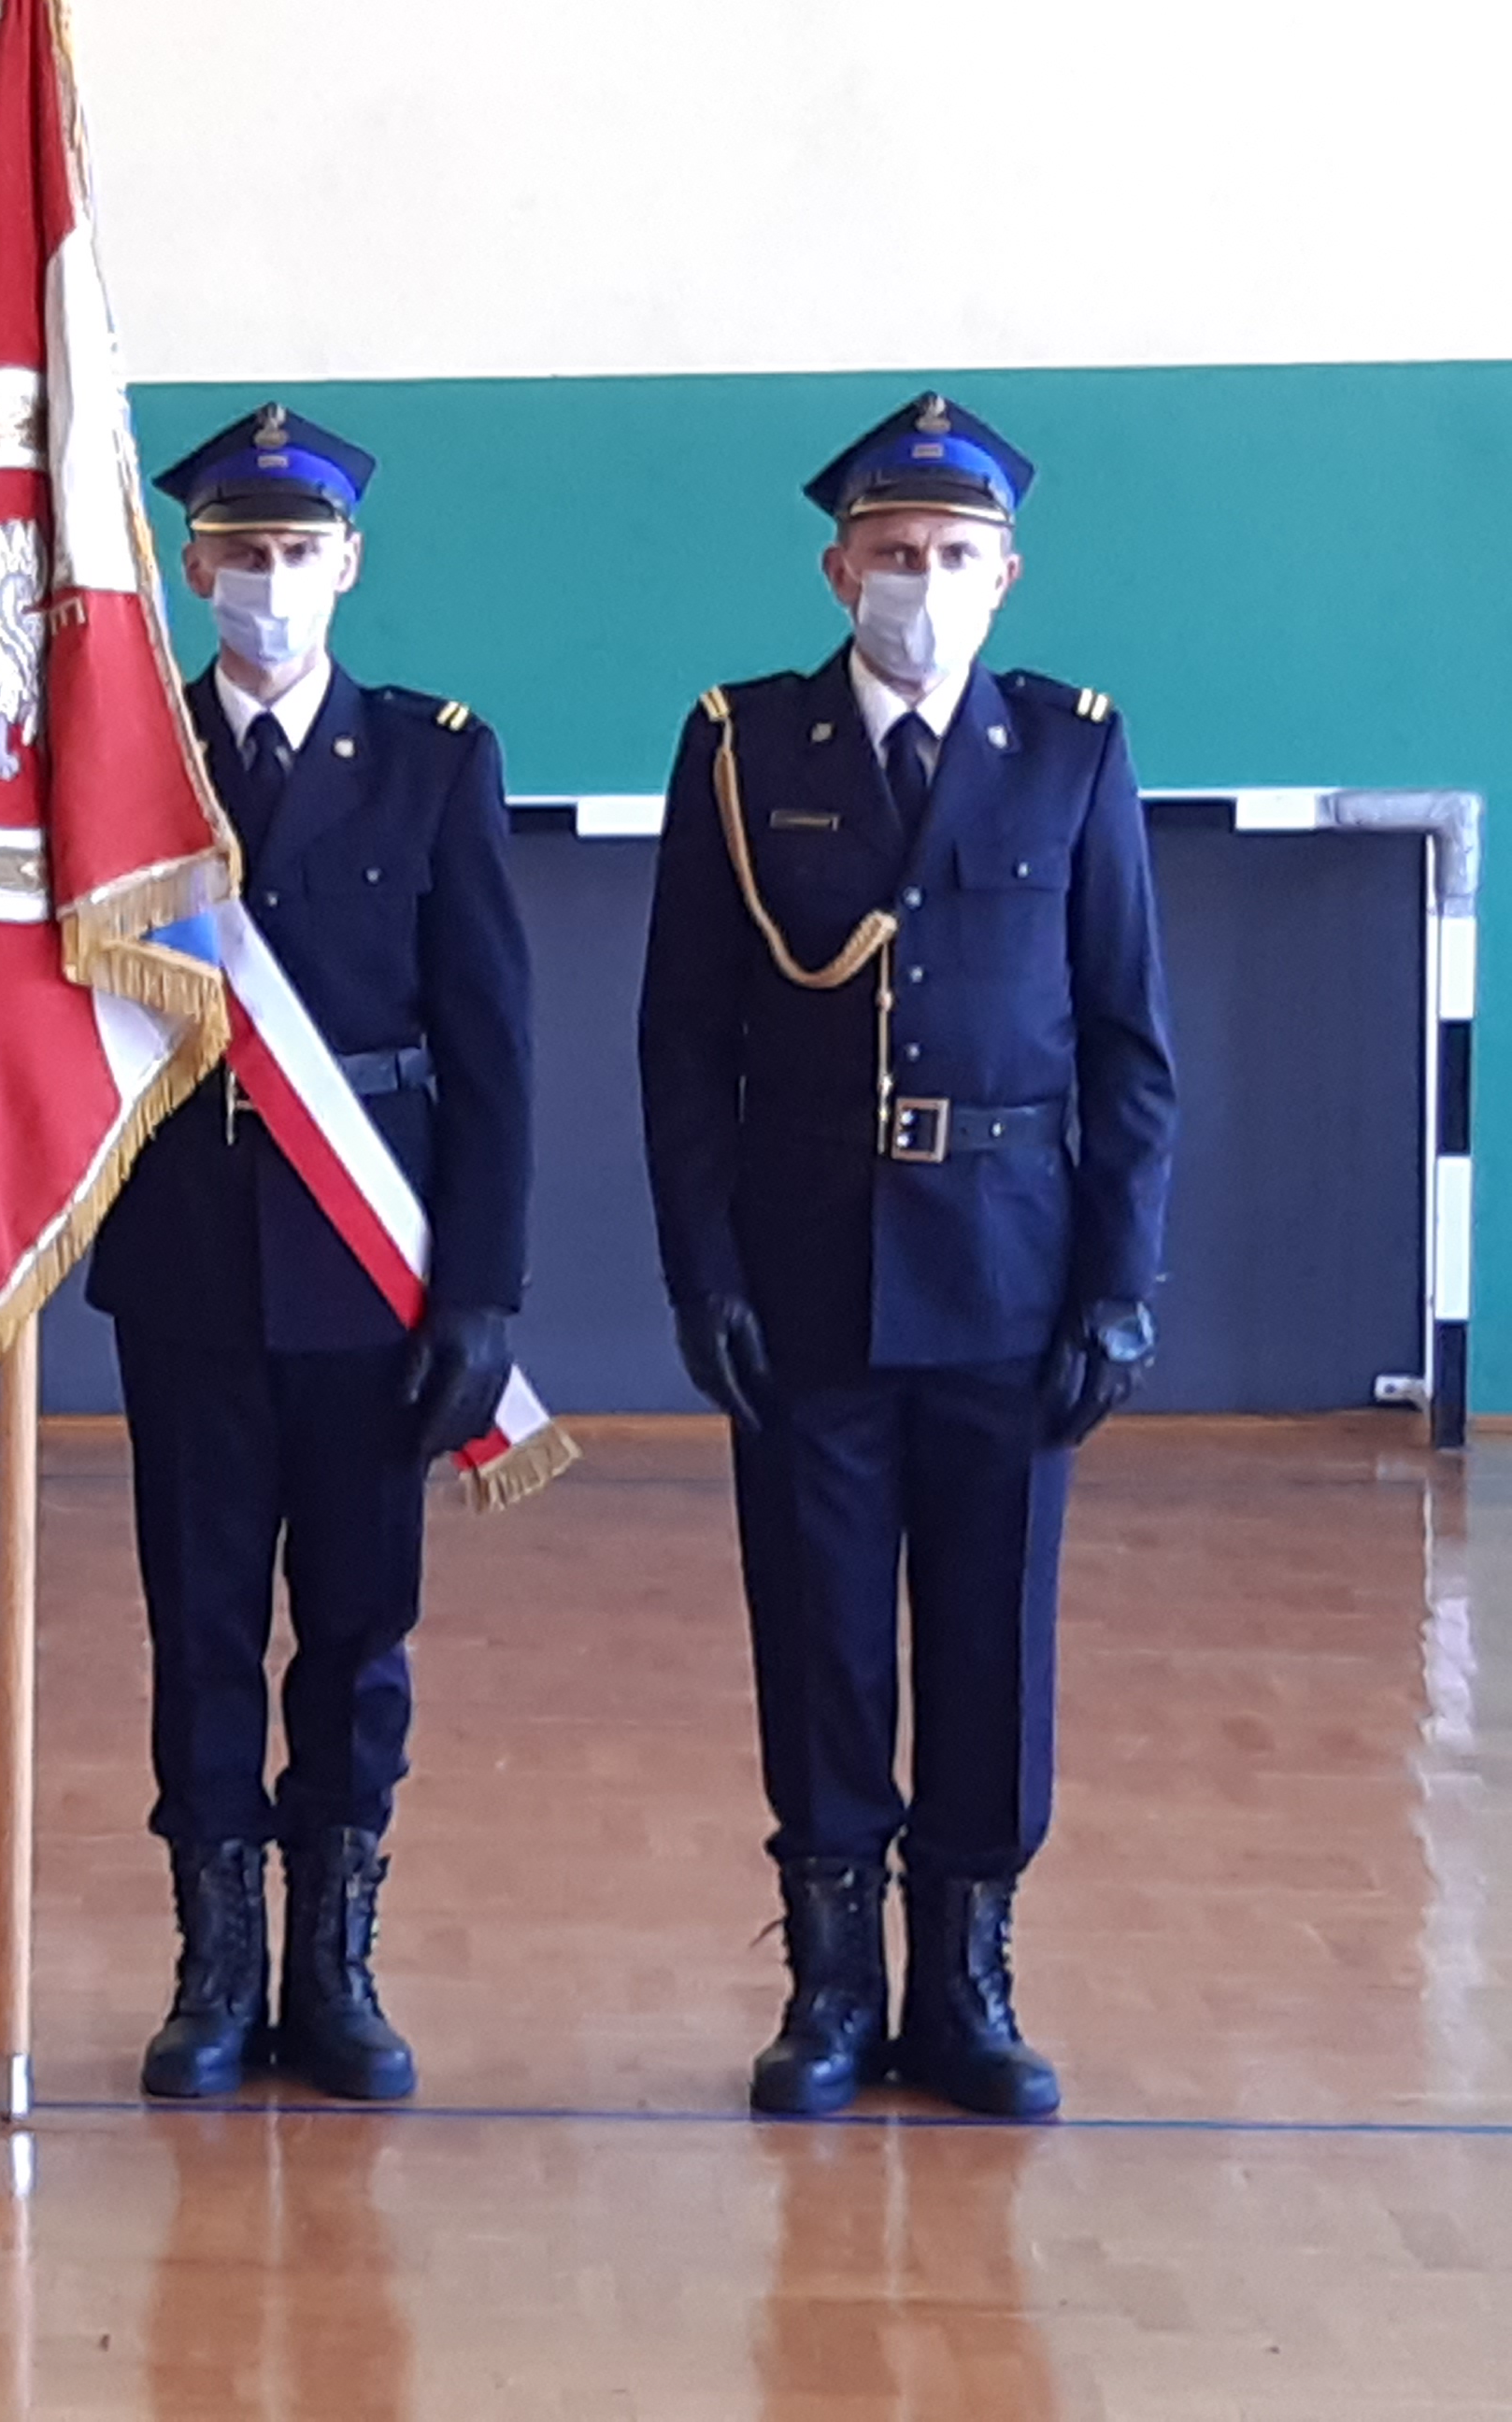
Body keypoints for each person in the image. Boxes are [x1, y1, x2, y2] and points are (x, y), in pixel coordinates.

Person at [636, 392, 1174, 2119]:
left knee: (992, 1636)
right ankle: (830, 1988)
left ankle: (967, 1986)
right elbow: (683, 1044)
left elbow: (1128, 1046)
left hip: (1013, 1274)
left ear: (1006, 576)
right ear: (836, 569)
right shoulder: (744, 750)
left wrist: (1119, 1285)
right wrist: (703, 1270)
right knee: (821, 1635)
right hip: (808, 1274)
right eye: (891, 553)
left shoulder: (1072, 751)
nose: (919, 583)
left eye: (952, 555)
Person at [87, 405, 534, 2103]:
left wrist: (482, 1287)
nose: (267, 581)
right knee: (200, 1625)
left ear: (348, 565)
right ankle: (215, 1968)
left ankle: (334, 1963)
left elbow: (491, 1048)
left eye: (297, 551)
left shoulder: (432, 760)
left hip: (371, 1266)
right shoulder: (125, 758)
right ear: (192, 565)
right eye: (240, 552)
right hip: (187, 1262)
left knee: (356, 1631)